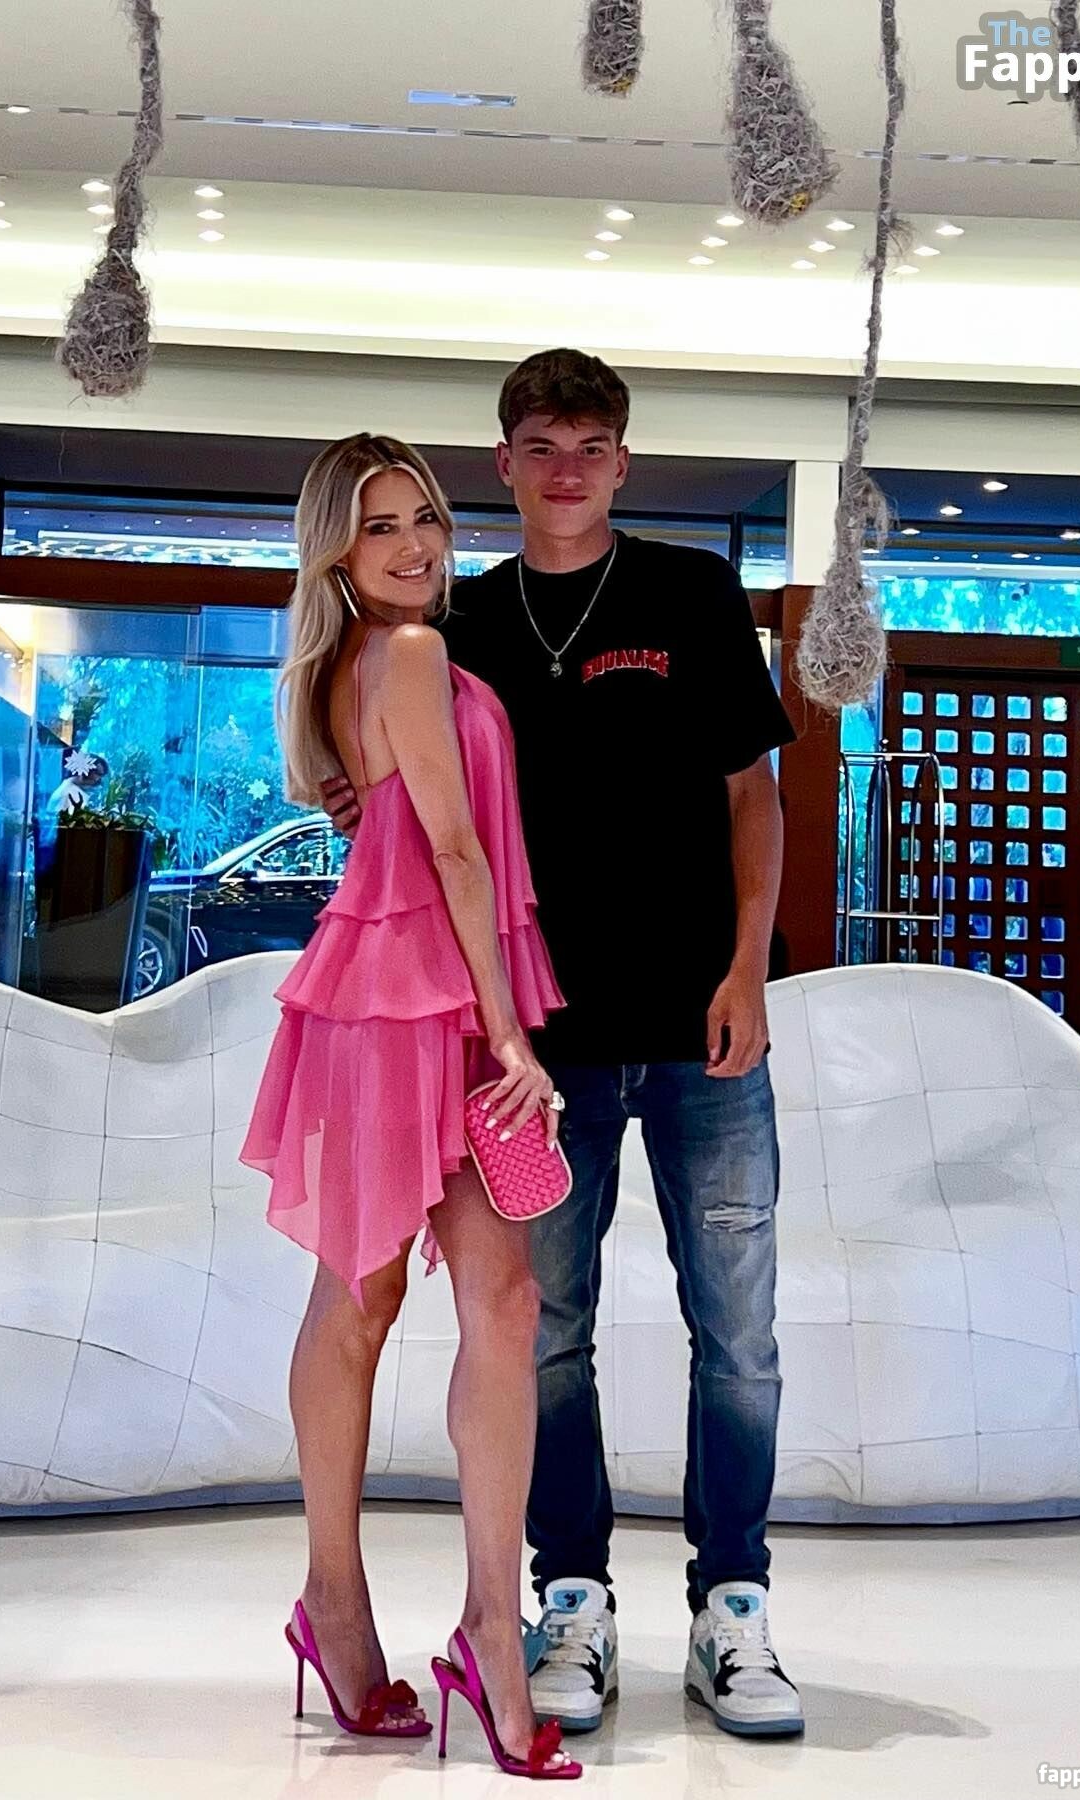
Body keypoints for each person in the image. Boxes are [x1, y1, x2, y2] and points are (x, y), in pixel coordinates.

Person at [326, 349, 802, 1741]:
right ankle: (572, 1600)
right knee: (544, 1333)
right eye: (542, 444)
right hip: (539, 1041)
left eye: (593, 445)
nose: (569, 468)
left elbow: (754, 796)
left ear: (625, 462)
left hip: (704, 1028)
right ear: (505, 463)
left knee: (741, 1331)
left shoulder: (692, 595)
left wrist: (748, 965)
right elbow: (415, 803)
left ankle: (734, 1606)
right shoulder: (454, 618)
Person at [240, 432, 580, 1781]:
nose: (414, 545)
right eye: (379, 526)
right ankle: (336, 1604)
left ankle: (490, 1628)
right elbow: (450, 847)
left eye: (426, 517)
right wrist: (508, 1031)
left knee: (502, 1301)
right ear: (336, 548)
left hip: (407, 997)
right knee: (363, 1299)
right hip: (410, 1009)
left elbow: (396, 822)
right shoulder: (412, 654)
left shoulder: (361, 663)